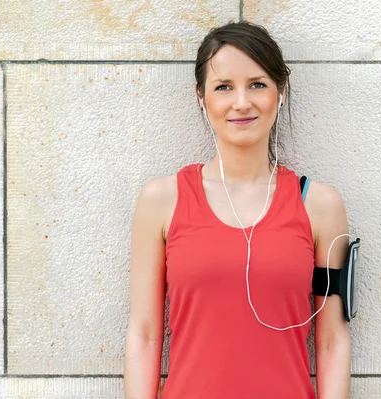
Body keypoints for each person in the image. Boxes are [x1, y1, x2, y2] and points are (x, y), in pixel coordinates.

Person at [124, 21, 351, 399]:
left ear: (281, 92)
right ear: (201, 96)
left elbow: (332, 341)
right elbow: (144, 334)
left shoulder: (320, 206)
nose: (241, 102)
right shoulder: (162, 201)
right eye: (223, 87)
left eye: (257, 84)